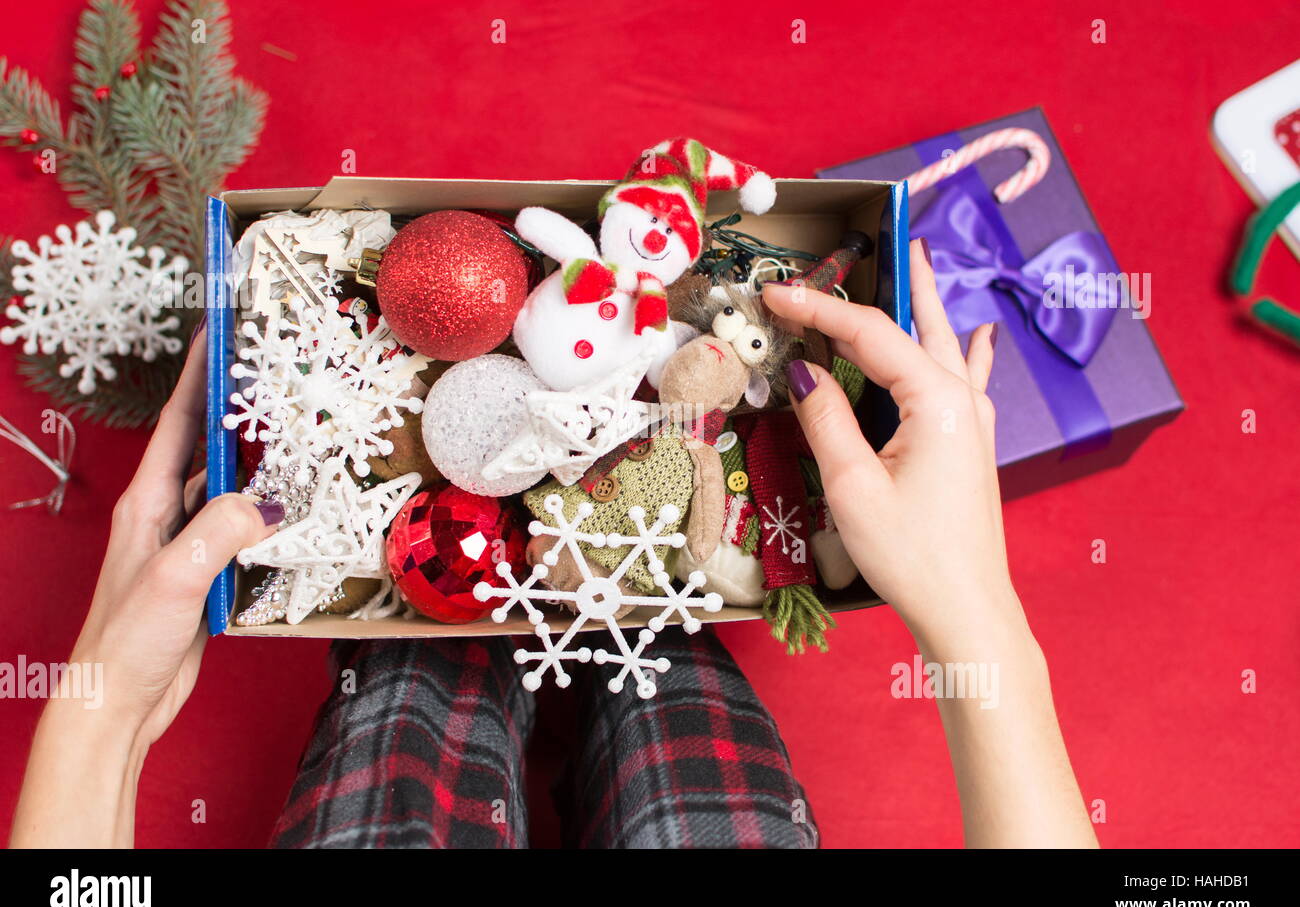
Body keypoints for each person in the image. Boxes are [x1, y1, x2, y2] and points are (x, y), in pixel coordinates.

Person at [9, 240, 1097, 849]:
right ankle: (653, 661)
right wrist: (978, 622)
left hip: (563, 529)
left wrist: (104, 721)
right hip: (592, 530)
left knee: (404, 761)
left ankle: (451, 647)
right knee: (692, 763)